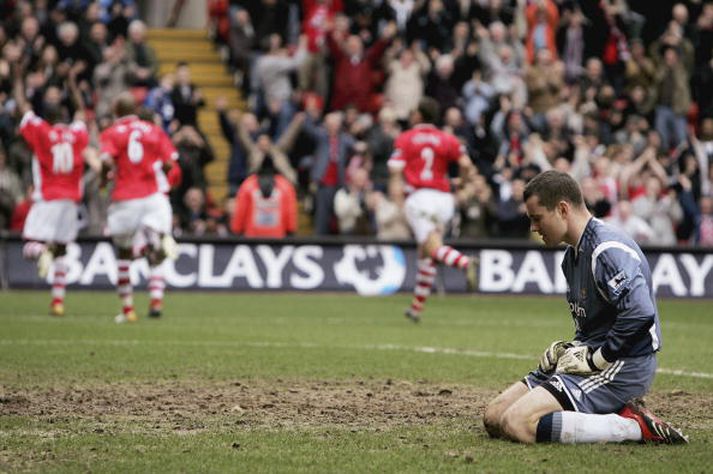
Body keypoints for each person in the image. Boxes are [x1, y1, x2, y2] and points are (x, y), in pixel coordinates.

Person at [482, 170, 688, 445]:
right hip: (595, 356)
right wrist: (569, 351)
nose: (533, 228)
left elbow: (640, 313)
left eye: (537, 218)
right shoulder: (571, 257)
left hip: (623, 363)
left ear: (562, 209)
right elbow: (592, 326)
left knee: (518, 424)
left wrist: (597, 358)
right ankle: (603, 412)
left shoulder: (606, 250)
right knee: (495, 417)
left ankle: (634, 426)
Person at [15, 63, 99, 317]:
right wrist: (72, 83)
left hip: (48, 198)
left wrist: (18, 78)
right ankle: (58, 302)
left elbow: (22, 106)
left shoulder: (41, 131)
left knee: (30, 244)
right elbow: (82, 113)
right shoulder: (75, 134)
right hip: (70, 202)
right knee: (63, 247)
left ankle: (43, 251)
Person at [387, 97, 478, 323]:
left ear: (418, 115)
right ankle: (417, 307)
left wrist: (397, 195)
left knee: (431, 246)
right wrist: (463, 183)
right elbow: (466, 164)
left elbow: (395, 169)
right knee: (425, 251)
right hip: (444, 199)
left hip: (420, 198)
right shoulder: (447, 139)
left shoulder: (406, 138)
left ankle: (465, 263)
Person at [100, 92, 180, 323]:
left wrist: (104, 181)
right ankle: (155, 244)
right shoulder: (153, 130)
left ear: (116, 109)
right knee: (156, 248)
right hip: (154, 196)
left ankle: (128, 310)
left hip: (126, 197)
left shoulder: (111, 133)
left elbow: (106, 162)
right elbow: (169, 162)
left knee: (123, 253)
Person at [230, 154, 297, 238]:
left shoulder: (248, 184)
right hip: (278, 238)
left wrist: (236, 230)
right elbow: (290, 212)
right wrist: (291, 231)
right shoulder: (285, 185)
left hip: (251, 238)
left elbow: (241, 211)